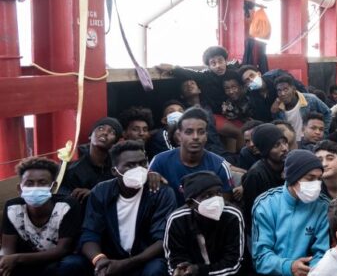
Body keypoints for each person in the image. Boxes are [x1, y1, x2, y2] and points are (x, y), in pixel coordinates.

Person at [80, 140, 176, 276]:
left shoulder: (160, 192)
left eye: (142, 163)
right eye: (130, 165)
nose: (139, 169)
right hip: (111, 258)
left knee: (156, 269)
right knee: (73, 264)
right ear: (115, 171)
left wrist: (126, 264)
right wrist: (99, 259)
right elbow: (90, 233)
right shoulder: (101, 191)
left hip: (145, 260)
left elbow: (162, 239)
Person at [251, 149, 330, 275]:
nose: (316, 185)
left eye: (319, 179)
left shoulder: (323, 206)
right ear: (293, 178)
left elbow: (323, 254)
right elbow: (260, 257)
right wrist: (289, 267)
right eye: (310, 178)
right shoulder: (266, 204)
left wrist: (310, 270)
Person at [0, 157, 83, 276]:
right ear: (20, 189)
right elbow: (7, 248)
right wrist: (4, 261)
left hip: (57, 262)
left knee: (73, 264)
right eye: (29, 183)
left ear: (53, 187)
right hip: (25, 264)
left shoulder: (66, 206)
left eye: (42, 182)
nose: (35, 187)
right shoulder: (12, 208)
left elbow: (62, 250)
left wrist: (16, 258)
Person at [164, 172, 245, 276]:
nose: (216, 200)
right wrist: (183, 270)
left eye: (219, 193)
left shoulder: (232, 216)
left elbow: (233, 263)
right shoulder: (177, 220)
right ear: (190, 203)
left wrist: (200, 270)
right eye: (208, 195)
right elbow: (175, 261)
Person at [148, 108, 233, 206]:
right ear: (179, 136)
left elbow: (225, 208)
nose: (195, 137)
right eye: (189, 132)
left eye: (201, 132)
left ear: (206, 136)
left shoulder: (219, 166)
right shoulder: (160, 161)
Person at [158, 46, 235, 114]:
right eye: (213, 63)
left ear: (225, 61)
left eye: (220, 61)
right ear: (209, 67)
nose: (218, 66)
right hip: (216, 113)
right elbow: (189, 73)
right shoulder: (206, 76)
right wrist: (173, 68)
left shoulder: (234, 72)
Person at [61, 117, 122, 203]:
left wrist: (94, 194)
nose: (105, 133)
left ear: (114, 143)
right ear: (90, 136)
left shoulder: (117, 167)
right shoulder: (72, 165)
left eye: (112, 132)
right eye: (101, 128)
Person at [241, 124, 289, 232]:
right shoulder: (255, 175)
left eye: (284, 142)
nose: (285, 148)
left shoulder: (290, 165)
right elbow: (253, 213)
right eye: (277, 145)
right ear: (265, 150)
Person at [272, 75, 332, 140]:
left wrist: (324, 133)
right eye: (279, 90)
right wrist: (274, 113)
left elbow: (328, 113)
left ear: (294, 89)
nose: (282, 93)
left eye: (286, 89)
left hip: (311, 142)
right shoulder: (278, 108)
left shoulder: (311, 99)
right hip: (292, 145)